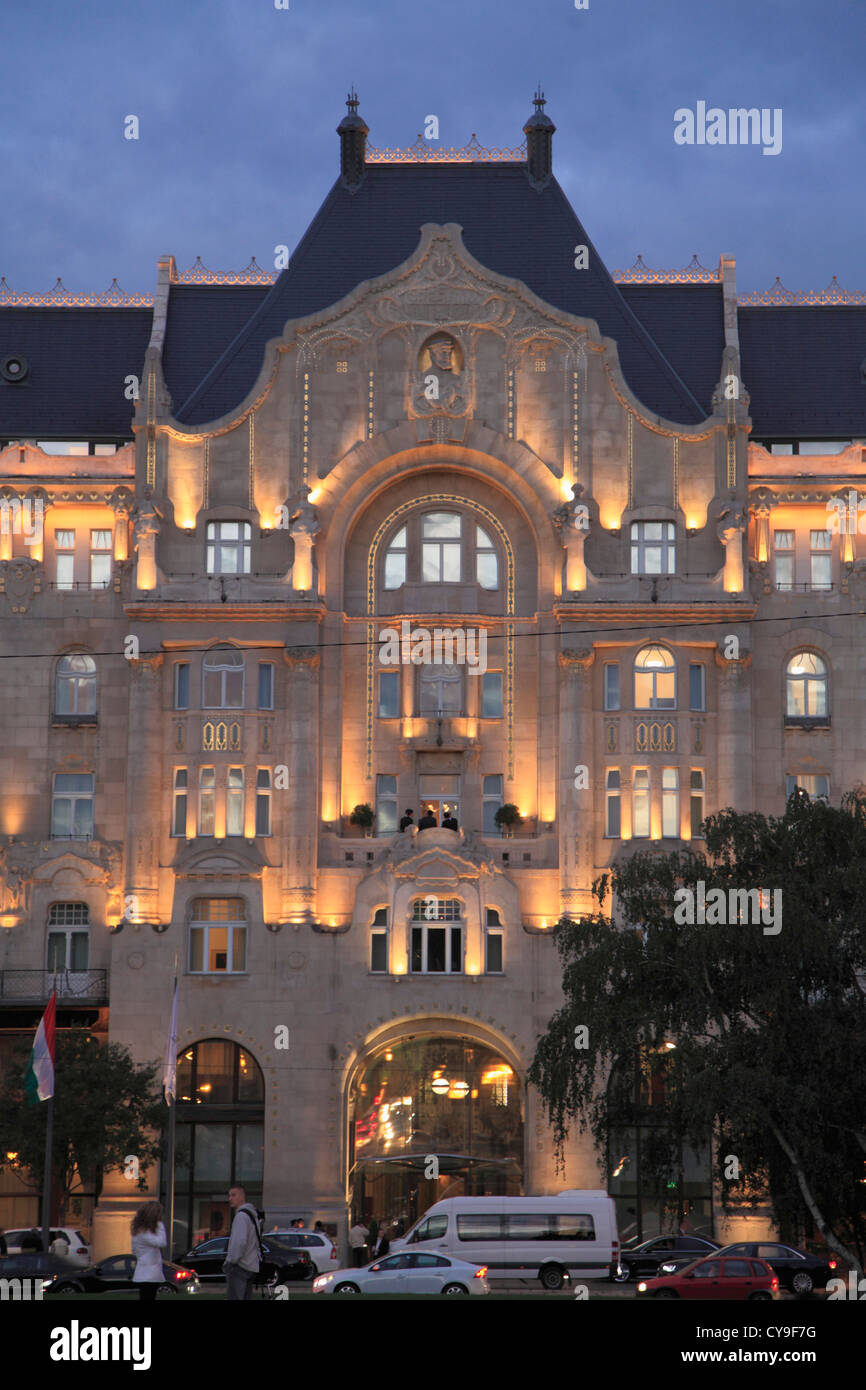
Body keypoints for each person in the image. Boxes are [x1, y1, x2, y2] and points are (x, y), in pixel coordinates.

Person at [224, 1184, 262, 1300]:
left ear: (242, 1196)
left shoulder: (241, 1217)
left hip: (240, 1266)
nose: (230, 1198)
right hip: (251, 1266)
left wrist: (231, 1261)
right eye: (229, 1195)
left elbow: (239, 1242)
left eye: (233, 1195)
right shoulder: (253, 1216)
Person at [131, 1201, 167, 1303]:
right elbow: (161, 1242)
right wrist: (160, 1226)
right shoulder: (143, 1232)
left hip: (148, 1271)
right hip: (148, 1272)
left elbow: (134, 1250)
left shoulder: (140, 1231)